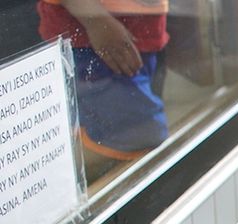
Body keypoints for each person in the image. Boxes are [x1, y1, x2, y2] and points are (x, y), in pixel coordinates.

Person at [36, 0, 169, 173]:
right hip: (94, 37)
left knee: (134, 137)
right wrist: (97, 21)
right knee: (137, 135)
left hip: (140, 31)